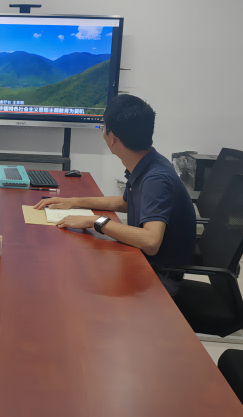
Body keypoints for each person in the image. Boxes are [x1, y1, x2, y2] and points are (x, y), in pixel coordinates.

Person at [34, 94, 195, 295]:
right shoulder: (149, 162)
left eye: (103, 127)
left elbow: (150, 242)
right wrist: (73, 201)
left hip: (159, 279)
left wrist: (96, 221)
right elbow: (126, 202)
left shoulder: (155, 179)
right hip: (145, 263)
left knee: (71, 279)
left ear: (112, 138)